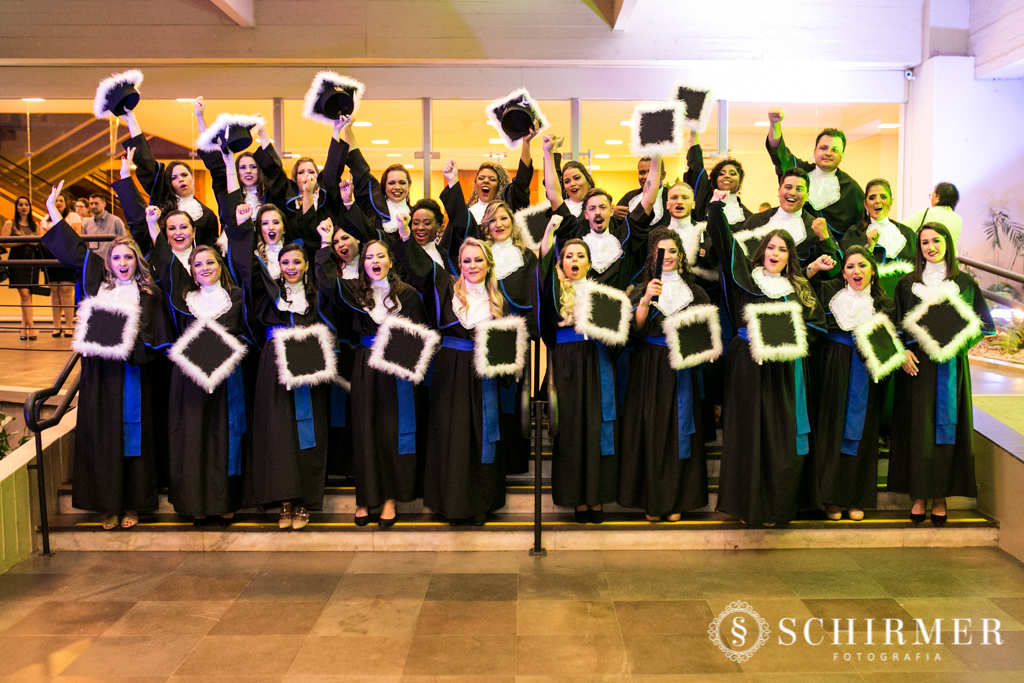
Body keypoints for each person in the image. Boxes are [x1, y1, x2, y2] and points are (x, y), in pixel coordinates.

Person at [41, 180, 174, 530]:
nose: (123, 263)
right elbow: (73, 252)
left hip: (133, 376)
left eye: (129, 257)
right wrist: (55, 210)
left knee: (134, 440)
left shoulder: (149, 294)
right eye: (117, 257)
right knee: (104, 439)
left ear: (137, 260)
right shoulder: (98, 285)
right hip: (101, 379)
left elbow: (157, 338)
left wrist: (129, 342)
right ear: (109, 263)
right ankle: (109, 505)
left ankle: (134, 504)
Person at [706, 189, 831, 526]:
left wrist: (789, 339)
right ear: (762, 252)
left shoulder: (800, 288)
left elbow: (817, 324)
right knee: (750, 435)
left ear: (791, 257)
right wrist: (716, 207)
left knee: (782, 437)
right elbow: (724, 244)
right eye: (771, 247)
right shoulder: (746, 280)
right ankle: (749, 506)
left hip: (787, 371)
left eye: (783, 249)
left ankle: (779, 507)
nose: (776, 253)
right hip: (749, 366)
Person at [394, 224, 510, 525]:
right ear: (459, 264)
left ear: (489, 264)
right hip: (450, 371)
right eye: (467, 261)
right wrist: (405, 236)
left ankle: (479, 504)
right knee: (451, 437)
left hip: (483, 377)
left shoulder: (499, 301)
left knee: (480, 436)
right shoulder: (445, 287)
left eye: (478, 260)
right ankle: (451, 504)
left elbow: (505, 349)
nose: (473, 266)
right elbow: (419, 266)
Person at [315, 233, 429, 526]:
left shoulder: (409, 296)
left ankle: (390, 498)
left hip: (397, 370)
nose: (375, 261)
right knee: (365, 433)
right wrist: (326, 245)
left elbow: (421, 336)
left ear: (391, 261)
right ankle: (365, 498)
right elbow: (327, 283)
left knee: (391, 433)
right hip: (365, 367)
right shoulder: (355, 293)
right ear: (361, 263)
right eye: (368, 257)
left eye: (380, 256)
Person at [231, 203, 331, 530]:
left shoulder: (316, 296)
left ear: (306, 266)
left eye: (296, 262)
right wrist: (243, 226)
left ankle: (304, 502)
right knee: (278, 435)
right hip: (272, 367)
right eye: (285, 262)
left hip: (307, 362)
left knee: (307, 433)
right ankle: (284, 502)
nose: (290, 266)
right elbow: (244, 271)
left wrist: (326, 246)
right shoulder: (269, 295)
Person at [890, 223, 995, 525]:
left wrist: (957, 343)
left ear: (947, 243)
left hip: (950, 367)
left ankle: (940, 497)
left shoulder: (964, 283)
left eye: (936, 241)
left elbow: (984, 326)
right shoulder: (907, 283)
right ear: (918, 248)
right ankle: (919, 496)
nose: (931, 247)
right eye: (924, 242)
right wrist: (902, 351)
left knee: (945, 433)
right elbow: (894, 324)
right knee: (919, 432)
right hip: (917, 368)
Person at [440, 160, 538, 474]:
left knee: (509, 403)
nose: (498, 224)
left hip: (511, 341)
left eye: (503, 218)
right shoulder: (478, 256)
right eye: (492, 220)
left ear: (513, 221)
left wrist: (524, 332)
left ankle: (511, 462)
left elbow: (533, 299)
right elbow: (457, 222)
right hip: (479, 339)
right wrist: (452, 182)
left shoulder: (527, 256)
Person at [619, 228, 712, 521]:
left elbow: (705, 334)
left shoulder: (696, 293)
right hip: (649, 366)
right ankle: (653, 501)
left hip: (682, 368)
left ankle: (677, 501)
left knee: (679, 433)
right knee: (650, 432)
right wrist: (646, 299)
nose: (668, 256)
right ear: (652, 257)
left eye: (673, 251)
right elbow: (635, 329)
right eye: (662, 252)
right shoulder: (639, 289)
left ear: (680, 256)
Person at [809, 247, 897, 521]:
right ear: (843, 272)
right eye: (849, 267)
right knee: (831, 431)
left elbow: (890, 343)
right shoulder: (828, 294)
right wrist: (814, 268)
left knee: (864, 434)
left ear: (873, 269)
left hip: (867, 372)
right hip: (833, 367)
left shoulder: (884, 304)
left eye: (862, 266)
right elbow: (801, 293)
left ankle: (856, 499)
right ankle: (831, 499)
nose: (856, 271)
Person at [536, 228, 618, 523]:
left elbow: (616, 337)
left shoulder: (602, 294)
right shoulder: (555, 293)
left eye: (580, 255)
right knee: (570, 432)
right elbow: (546, 330)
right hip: (567, 364)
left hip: (597, 363)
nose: (575, 260)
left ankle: (595, 498)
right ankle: (576, 500)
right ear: (561, 263)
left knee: (596, 430)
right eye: (568, 256)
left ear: (588, 262)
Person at [119, 109, 220, 248]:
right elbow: (147, 163)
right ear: (169, 184)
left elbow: (211, 251)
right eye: (174, 177)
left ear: (193, 179)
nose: (181, 179)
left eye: (184, 175)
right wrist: (132, 120)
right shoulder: (162, 204)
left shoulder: (208, 215)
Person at [766, 107, 864, 237]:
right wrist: (775, 124)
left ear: (842, 155)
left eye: (835, 150)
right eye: (823, 148)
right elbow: (779, 153)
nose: (828, 153)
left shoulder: (851, 188)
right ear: (815, 152)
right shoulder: (800, 172)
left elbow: (862, 225)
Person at [732, 168, 841, 273]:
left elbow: (832, 271)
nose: (792, 193)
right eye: (788, 187)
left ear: (807, 195)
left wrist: (824, 239)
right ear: (779, 191)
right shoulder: (756, 221)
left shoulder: (815, 229)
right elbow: (737, 260)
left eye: (799, 189)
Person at [840, 178, 916, 295]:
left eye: (883, 197)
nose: (878, 201)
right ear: (865, 204)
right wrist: (868, 246)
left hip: (903, 295)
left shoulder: (906, 233)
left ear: (891, 201)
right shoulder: (854, 233)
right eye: (872, 197)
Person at [683, 132, 754, 224]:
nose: (727, 176)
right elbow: (696, 165)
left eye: (732, 173)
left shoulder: (748, 217)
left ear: (740, 181)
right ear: (715, 180)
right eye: (721, 174)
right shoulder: (704, 200)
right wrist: (694, 132)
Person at [38, 192, 81, 337]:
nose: (58, 203)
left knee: (66, 290)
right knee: (54, 291)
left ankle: (69, 326)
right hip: (51, 257)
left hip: (67, 255)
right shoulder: (45, 219)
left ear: (65, 203)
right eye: (55, 201)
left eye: (61, 200)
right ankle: (56, 326)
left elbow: (76, 234)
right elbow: (44, 238)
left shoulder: (73, 216)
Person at [2, 196, 41, 340]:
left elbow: (39, 243)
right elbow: (5, 243)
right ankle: (32, 328)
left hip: (32, 262)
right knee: (24, 294)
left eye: (26, 204)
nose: (24, 207)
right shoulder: (10, 223)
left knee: (28, 296)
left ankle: (22, 327)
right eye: (21, 205)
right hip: (17, 261)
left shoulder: (35, 225)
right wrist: (23, 241)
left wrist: (25, 240)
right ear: (16, 207)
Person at [542, 134, 595, 218]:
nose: (572, 184)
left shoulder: (598, 205)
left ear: (588, 179)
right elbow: (553, 185)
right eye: (567, 181)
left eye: (577, 178)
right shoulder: (562, 208)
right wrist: (551, 151)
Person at [903, 182, 962, 246]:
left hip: (928, 254)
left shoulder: (927, 213)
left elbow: (900, 228)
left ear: (938, 198)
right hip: (951, 256)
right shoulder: (958, 219)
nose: (931, 199)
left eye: (932, 196)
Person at [614, 156, 667, 224]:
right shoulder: (629, 197)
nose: (646, 177)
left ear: (663, 175)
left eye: (651, 173)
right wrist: (612, 214)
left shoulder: (672, 197)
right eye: (641, 173)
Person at [81, 193, 127, 260]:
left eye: (96, 203)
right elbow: (85, 244)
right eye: (91, 204)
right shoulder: (86, 223)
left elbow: (124, 241)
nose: (93, 206)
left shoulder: (116, 221)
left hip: (111, 261)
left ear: (104, 204)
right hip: (94, 262)